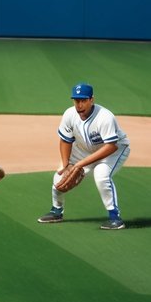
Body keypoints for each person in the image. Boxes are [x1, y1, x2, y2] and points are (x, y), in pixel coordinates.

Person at [38, 82, 131, 230]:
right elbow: (65, 140)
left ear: (91, 100)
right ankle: (56, 211)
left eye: (83, 100)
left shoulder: (105, 117)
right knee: (60, 176)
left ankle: (115, 218)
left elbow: (111, 146)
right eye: (76, 100)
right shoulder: (69, 114)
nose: (79, 104)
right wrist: (66, 163)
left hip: (114, 150)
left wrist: (80, 164)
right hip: (83, 150)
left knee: (101, 175)